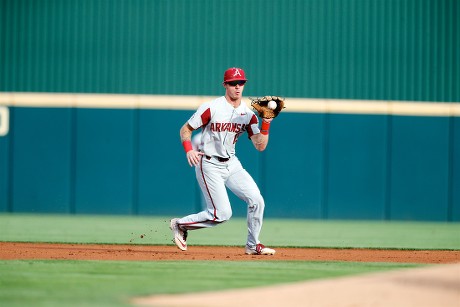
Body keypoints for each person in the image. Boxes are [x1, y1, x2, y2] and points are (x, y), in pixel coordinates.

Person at [170, 67, 276, 255]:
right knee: (222, 214)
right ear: (225, 85)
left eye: (241, 83)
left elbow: (260, 146)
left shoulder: (248, 114)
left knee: (257, 200)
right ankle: (180, 224)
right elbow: (185, 130)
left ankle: (253, 245)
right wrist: (188, 150)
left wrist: (266, 122)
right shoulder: (212, 107)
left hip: (232, 163)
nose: (237, 87)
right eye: (233, 83)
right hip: (209, 163)